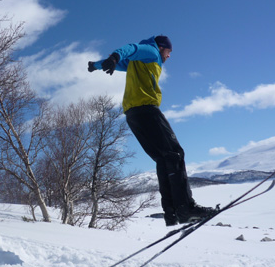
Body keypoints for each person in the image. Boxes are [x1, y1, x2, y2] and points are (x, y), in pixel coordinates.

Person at [88, 35, 216, 226]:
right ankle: (185, 208)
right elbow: (132, 48)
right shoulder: (151, 52)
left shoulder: (136, 63)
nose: (169, 56)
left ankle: (171, 212)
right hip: (147, 110)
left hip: (133, 116)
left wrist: (96, 65)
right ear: (162, 47)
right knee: (175, 154)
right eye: (169, 52)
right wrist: (114, 57)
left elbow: (125, 61)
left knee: (164, 158)